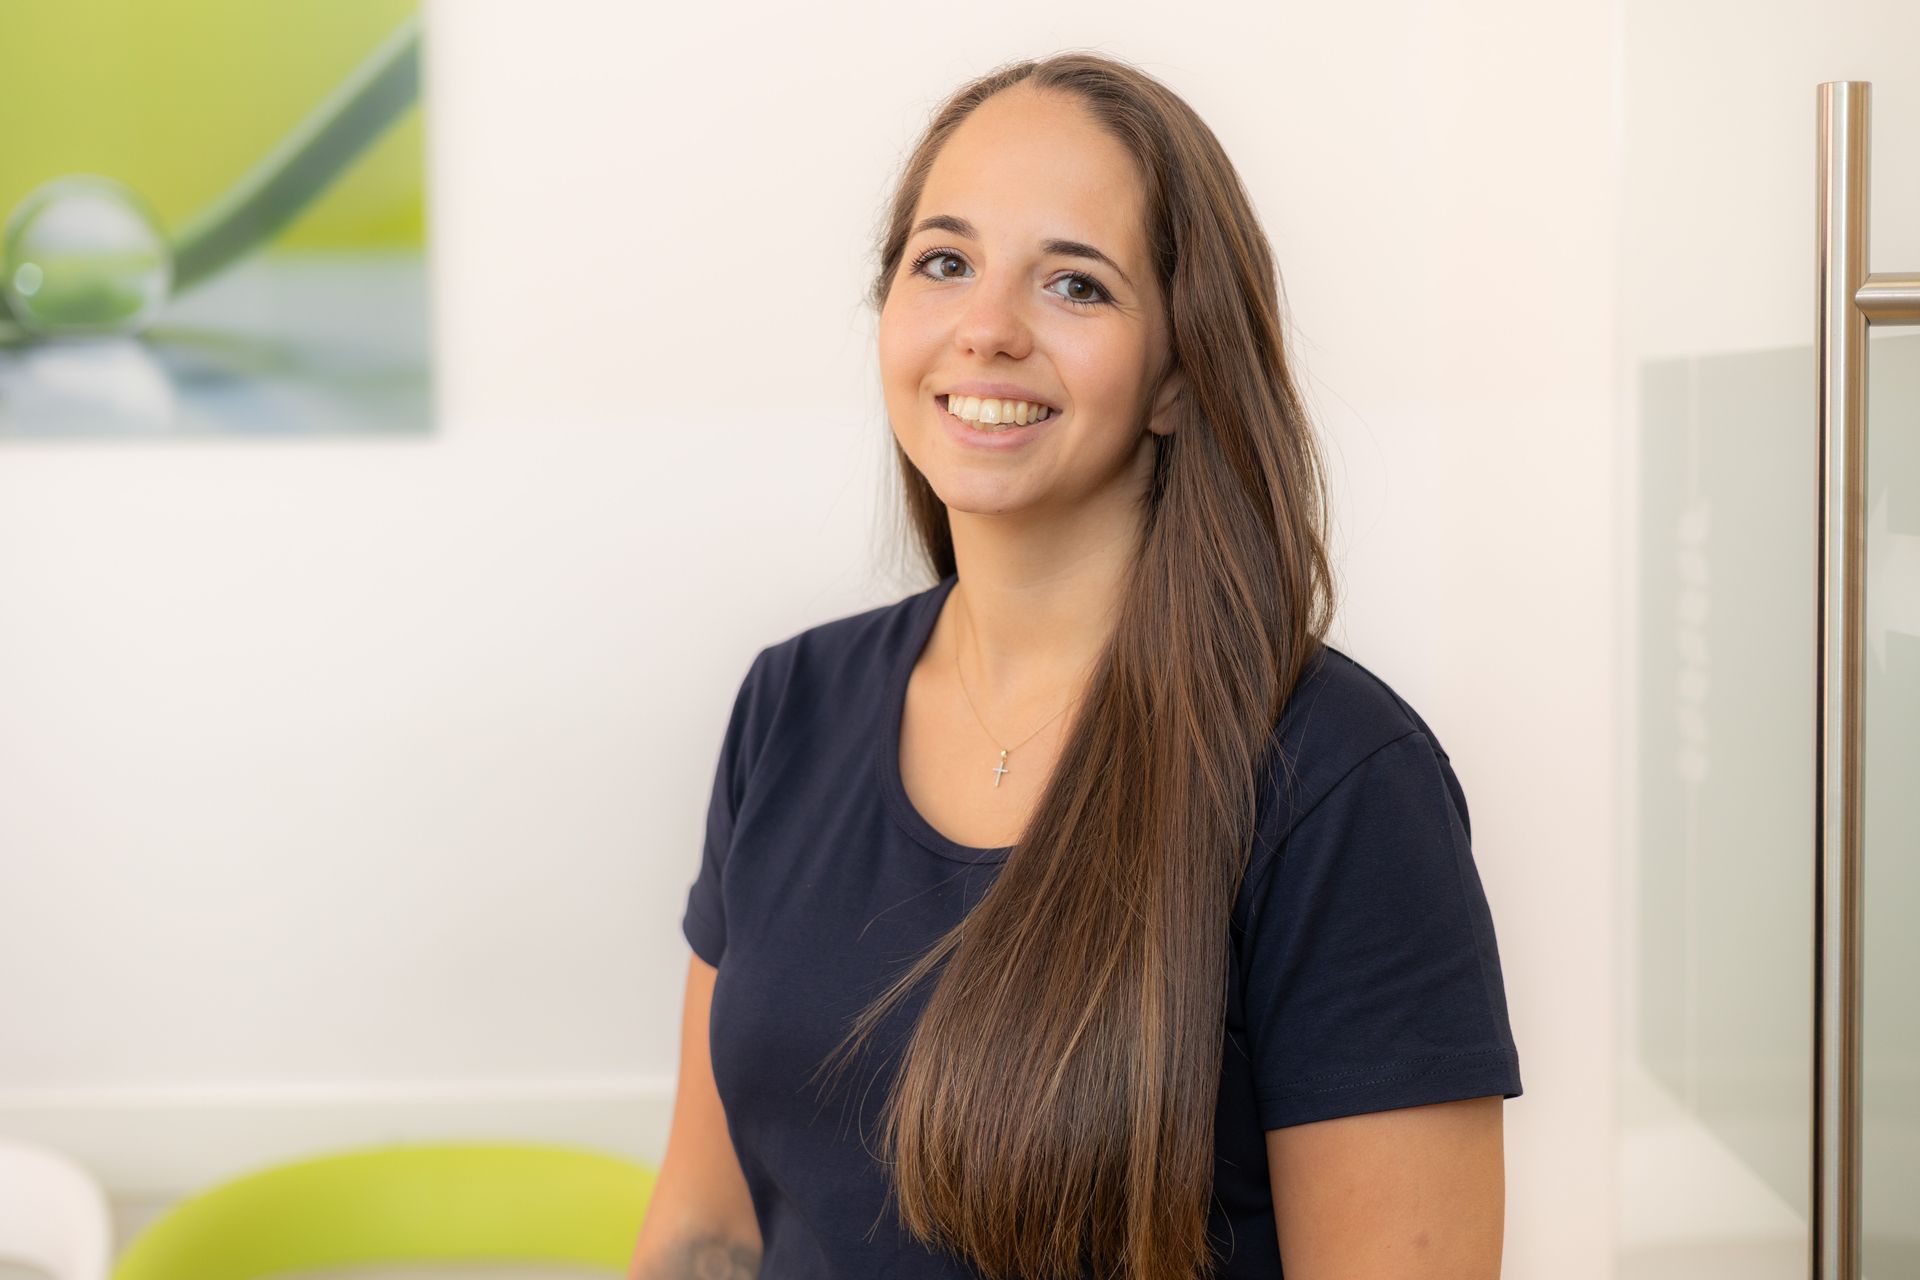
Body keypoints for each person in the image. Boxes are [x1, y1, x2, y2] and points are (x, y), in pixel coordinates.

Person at [629, 51, 1522, 1280]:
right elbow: (706, 1228)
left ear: (1174, 372)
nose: (987, 327)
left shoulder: (1337, 783)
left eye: (1075, 284)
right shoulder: (789, 706)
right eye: (944, 261)